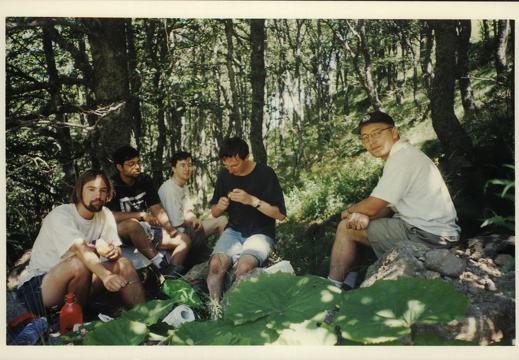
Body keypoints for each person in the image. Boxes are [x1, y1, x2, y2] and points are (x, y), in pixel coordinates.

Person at [328, 110, 461, 291]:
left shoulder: (402, 158)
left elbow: (374, 205)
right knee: (355, 224)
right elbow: (386, 207)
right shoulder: (403, 154)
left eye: (377, 133)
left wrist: (350, 211)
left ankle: (331, 291)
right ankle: (347, 285)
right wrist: (365, 216)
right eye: (365, 138)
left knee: (345, 227)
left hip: (428, 235)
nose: (371, 141)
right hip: (433, 230)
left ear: (394, 132)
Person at [16, 169, 146, 317]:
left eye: (103, 190)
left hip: (79, 286)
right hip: (39, 288)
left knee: (125, 264)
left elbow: (117, 251)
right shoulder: (61, 215)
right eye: (91, 189)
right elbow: (80, 249)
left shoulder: (105, 215)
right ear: (79, 192)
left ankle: (145, 319)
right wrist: (106, 276)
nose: (98, 195)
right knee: (80, 262)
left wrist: (114, 252)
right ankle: (78, 319)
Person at [206, 137, 287, 303]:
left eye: (234, 165)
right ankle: (214, 310)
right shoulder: (224, 175)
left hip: (261, 232)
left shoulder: (265, 173)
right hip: (234, 230)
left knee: (244, 268)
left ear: (247, 157)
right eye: (226, 166)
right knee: (215, 265)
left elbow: (280, 215)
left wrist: (251, 200)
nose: (230, 170)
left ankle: (231, 308)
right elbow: (214, 212)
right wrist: (219, 207)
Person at [106, 145, 190, 278]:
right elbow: (111, 216)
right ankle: (162, 265)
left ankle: (171, 279)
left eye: (138, 162)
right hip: (120, 230)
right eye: (131, 164)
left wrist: (169, 228)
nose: (137, 166)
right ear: (119, 167)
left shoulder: (144, 180)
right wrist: (141, 215)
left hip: (144, 229)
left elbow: (156, 208)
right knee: (133, 224)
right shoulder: (112, 185)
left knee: (184, 240)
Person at [158, 151, 227, 269]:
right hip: (176, 233)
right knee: (221, 221)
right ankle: (223, 258)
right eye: (182, 165)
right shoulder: (169, 189)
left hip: (185, 229)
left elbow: (187, 211)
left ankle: (221, 259)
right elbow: (177, 222)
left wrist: (194, 219)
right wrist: (193, 222)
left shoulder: (183, 186)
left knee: (221, 220)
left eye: (189, 165)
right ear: (173, 168)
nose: (187, 169)